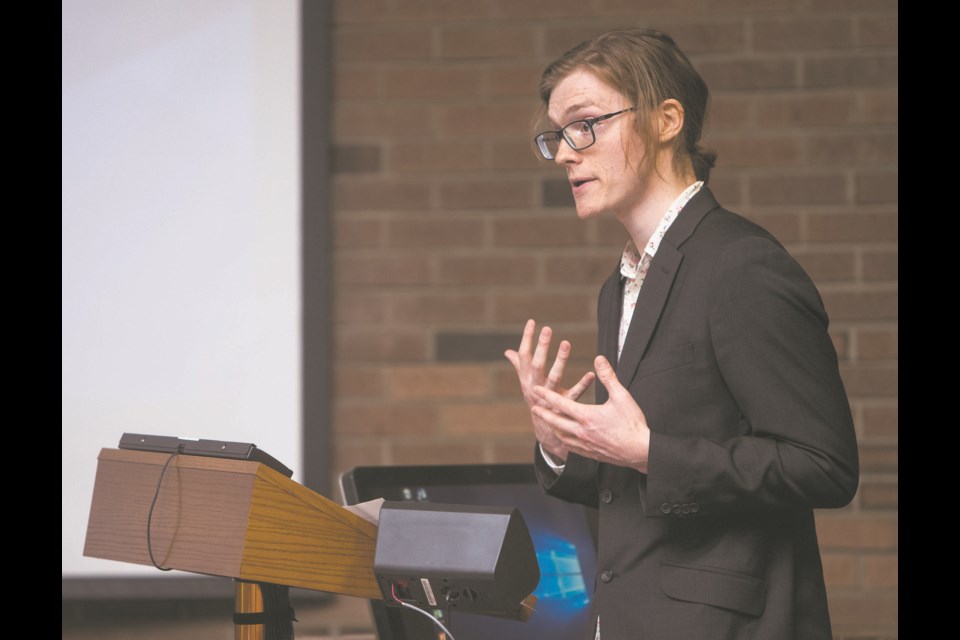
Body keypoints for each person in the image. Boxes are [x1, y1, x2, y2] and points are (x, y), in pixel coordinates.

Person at [504, 29, 859, 640]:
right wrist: (561, 443)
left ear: (667, 119)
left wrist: (648, 450)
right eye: (556, 135)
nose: (565, 151)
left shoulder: (741, 265)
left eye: (584, 124)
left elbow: (823, 466)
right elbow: (635, 485)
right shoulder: (617, 287)